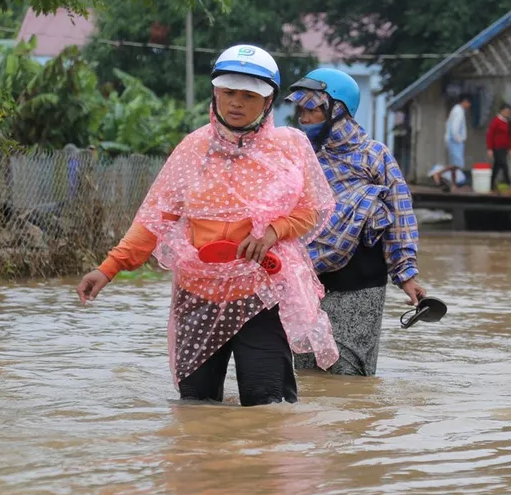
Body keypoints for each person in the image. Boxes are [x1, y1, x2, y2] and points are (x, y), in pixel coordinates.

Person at [76, 45, 338, 406]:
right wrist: (109, 268)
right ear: (216, 92)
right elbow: (155, 218)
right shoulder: (193, 148)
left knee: (268, 404)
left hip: (259, 291)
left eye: (249, 96)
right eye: (229, 92)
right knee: (196, 404)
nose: (236, 103)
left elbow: (309, 210)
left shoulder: (289, 147)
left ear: (268, 102)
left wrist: (274, 231)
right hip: (198, 291)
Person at [285, 67, 425, 377]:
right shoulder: (299, 157)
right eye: (301, 111)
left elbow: (400, 215)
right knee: (306, 372)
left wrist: (407, 275)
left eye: (311, 110)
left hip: (360, 282)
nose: (304, 119)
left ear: (338, 110)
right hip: (309, 281)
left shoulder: (374, 156)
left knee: (348, 375)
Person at [486, 102, 511, 191]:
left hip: (504, 148)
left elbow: (509, 136)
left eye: (508, 112)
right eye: (505, 111)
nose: (507, 113)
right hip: (497, 148)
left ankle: (491, 184)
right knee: (504, 165)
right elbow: (490, 135)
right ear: (501, 111)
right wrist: (490, 148)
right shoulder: (496, 121)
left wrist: (510, 148)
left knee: (497, 166)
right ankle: (509, 184)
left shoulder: (508, 122)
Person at [444, 95, 469, 182]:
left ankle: (453, 184)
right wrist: (458, 139)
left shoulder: (456, 109)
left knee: (454, 164)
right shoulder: (459, 111)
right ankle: (439, 173)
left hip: (453, 140)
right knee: (457, 164)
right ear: (464, 101)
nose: (469, 105)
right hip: (455, 140)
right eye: (468, 103)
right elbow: (455, 127)